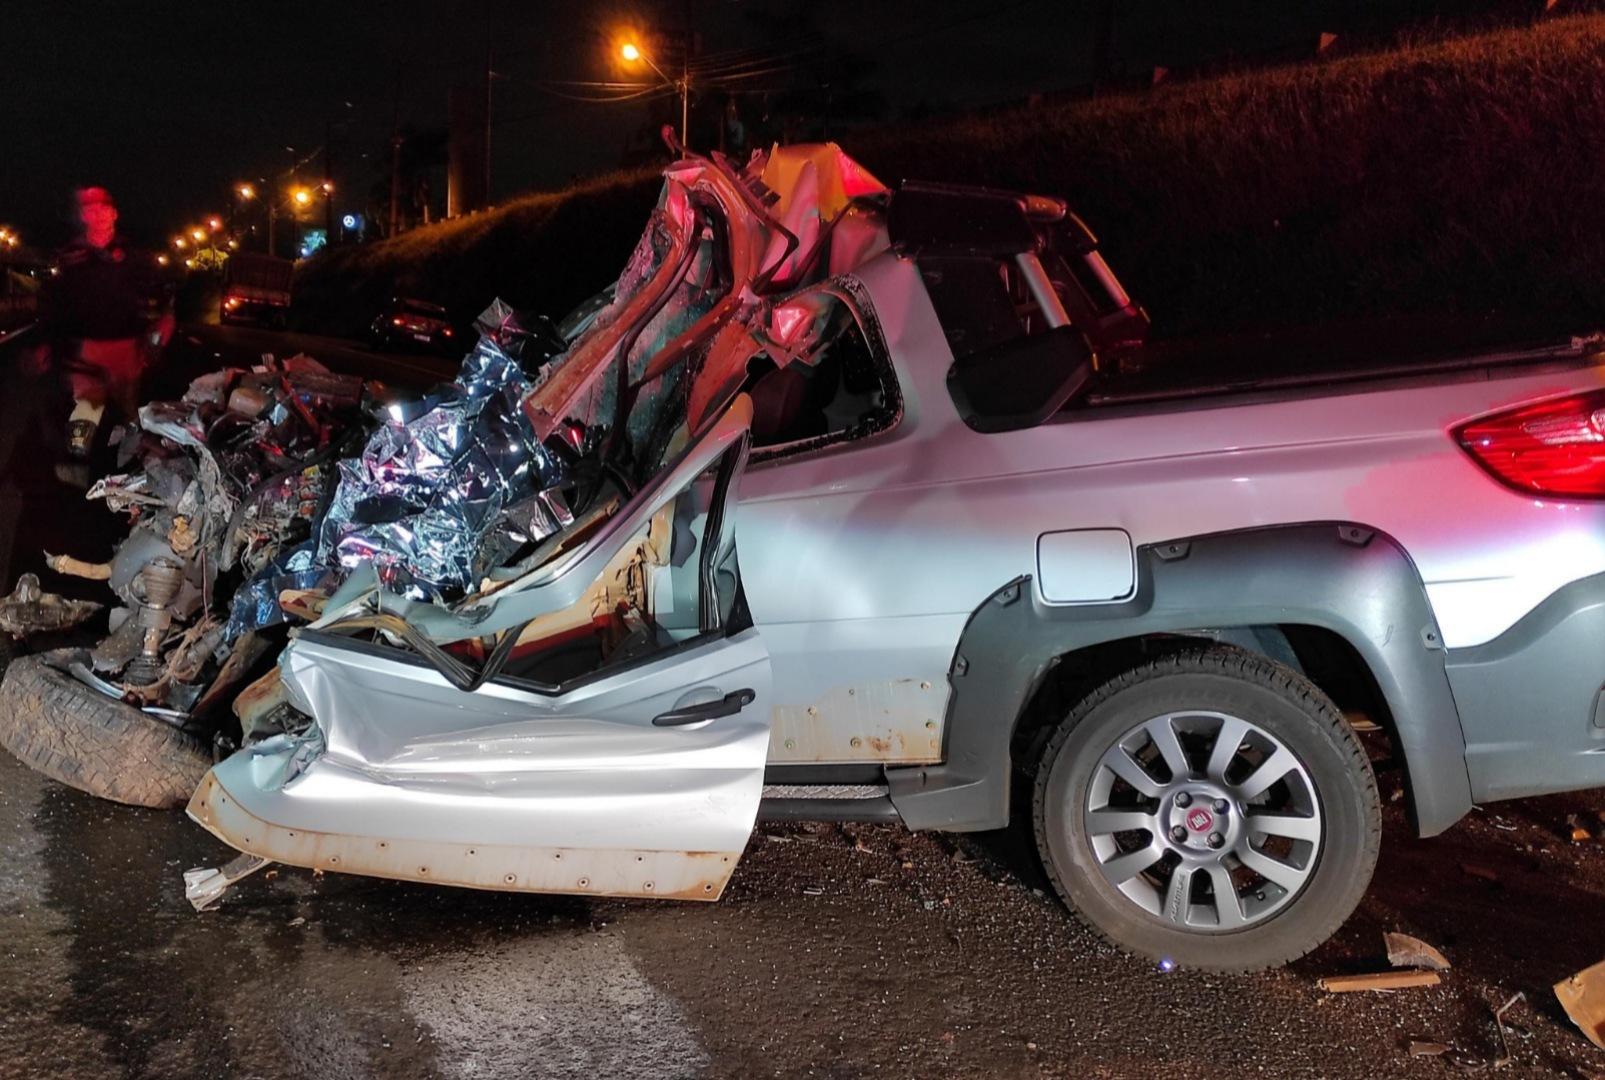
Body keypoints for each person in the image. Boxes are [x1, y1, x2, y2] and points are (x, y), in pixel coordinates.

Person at [33, 186, 172, 473]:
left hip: (127, 349)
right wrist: (47, 343)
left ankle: (135, 470)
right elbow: (53, 305)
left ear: (114, 213)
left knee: (129, 411)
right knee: (86, 408)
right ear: (84, 215)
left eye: (103, 208)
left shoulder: (133, 257)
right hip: (86, 351)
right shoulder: (72, 257)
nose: (97, 214)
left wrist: (157, 338)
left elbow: (161, 303)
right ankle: (76, 465)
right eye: (90, 209)